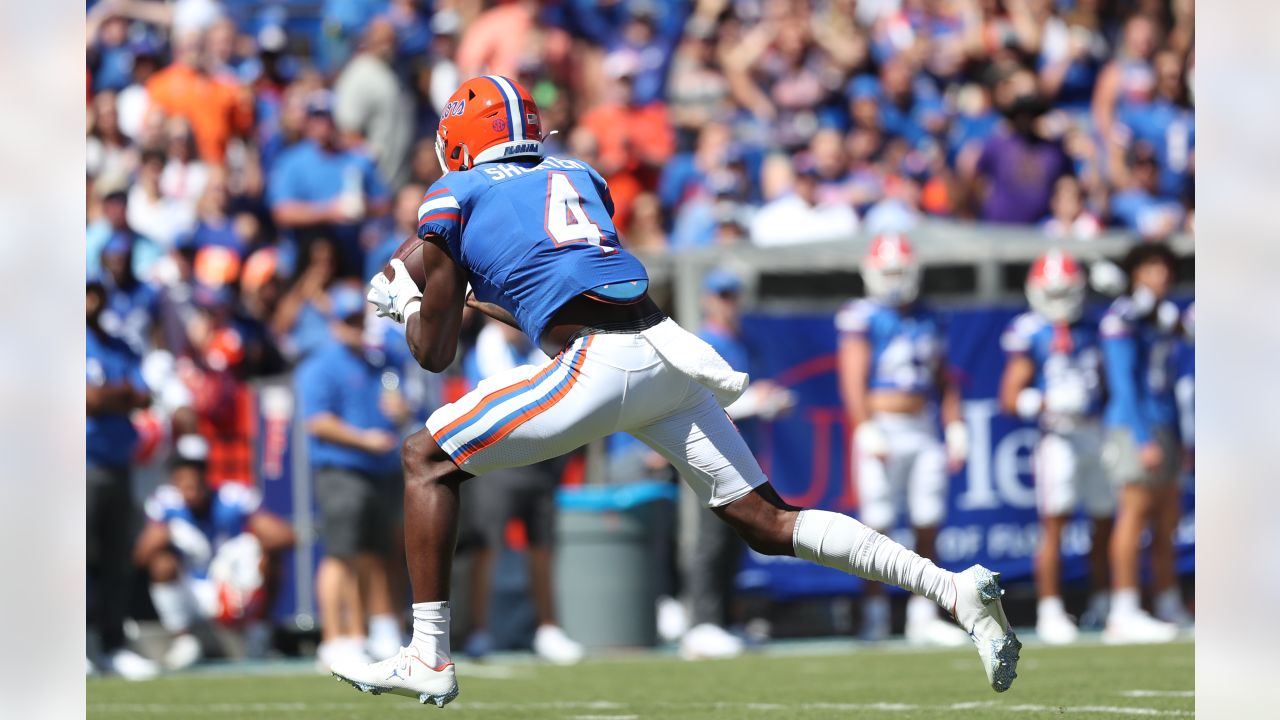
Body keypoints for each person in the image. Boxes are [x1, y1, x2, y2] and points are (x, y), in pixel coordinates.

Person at [336, 76, 1020, 707]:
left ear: (460, 141)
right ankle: (952, 588)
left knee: (425, 458)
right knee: (768, 521)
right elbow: (545, 291)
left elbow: (433, 353)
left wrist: (406, 307)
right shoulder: (579, 174)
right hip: (661, 349)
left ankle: (428, 654)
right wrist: (438, 288)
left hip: (598, 364)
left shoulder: (454, 194)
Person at [834, 234, 971, 647]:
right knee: (876, 527)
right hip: (883, 426)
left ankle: (923, 614)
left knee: (928, 523)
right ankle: (875, 615)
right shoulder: (862, 316)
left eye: (900, 272)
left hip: (923, 426)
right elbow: (852, 378)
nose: (894, 281)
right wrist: (863, 425)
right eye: (887, 272)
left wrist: (955, 424)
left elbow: (944, 378)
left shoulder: (930, 316)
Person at [998, 251, 1114, 644]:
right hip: (1057, 436)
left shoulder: (1096, 324)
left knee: (1105, 521)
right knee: (1055, 524)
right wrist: (1046, 402)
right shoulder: (1030, 331)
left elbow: (1109, 378)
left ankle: (1106, 601)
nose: (1061, 299)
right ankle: (1050, 608)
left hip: (1094, 430)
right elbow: (1010, 397)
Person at [682, 269, 795, 660]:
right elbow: (700, 400)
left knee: (734, 540)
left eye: (733, 295)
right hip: (708, 452)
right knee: (711, 541)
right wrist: (754, 403)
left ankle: (723, 621)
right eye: (722, 295)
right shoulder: (702, 342)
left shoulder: (743, 342)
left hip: (740, 453)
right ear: (707, 300)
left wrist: (767, 402)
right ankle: (701, 623)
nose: (729, 303)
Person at [296, 286, 411, 669]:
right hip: (342, 469)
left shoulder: (374, 361)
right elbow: (317, 421)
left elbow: (399, 397)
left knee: (377, 554)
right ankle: (334, 638)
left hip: (378, 471)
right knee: (340, 553)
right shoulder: (321, 364)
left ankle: (375, 630)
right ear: (333, 324)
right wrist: (363, 439)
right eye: (346, 320)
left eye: (356, 319)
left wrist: (399, 412)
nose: (353, 327)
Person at [458, 319, 585, 665]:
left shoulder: (537, 349)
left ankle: (548, 629)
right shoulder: (483, 352)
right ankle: (479, 631)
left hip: (541, 462)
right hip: (497, 463)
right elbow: (514, 400)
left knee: (542, 547)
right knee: (488, 547)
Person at [133, 435, 295, 668]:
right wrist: (166, 534)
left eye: (196, 468)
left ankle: (259, 630)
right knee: (161, 562)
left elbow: (285, 537)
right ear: (173, 478)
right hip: (191, 589)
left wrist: (247, 544)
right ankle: (183, 637)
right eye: (183, 470)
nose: (190, 481)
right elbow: (140, 557)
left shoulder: (233, 497)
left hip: (232, 585)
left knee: (269, 556)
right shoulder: (164, 505)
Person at [1099, 243, 1187, 643]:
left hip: (1166, 425)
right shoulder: (1123, 316)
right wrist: (1139, 435)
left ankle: (1167, 600)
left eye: (1165, 267)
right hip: (1133, 426)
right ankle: (1124, 608)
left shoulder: (1164, 318)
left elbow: (1167, 381)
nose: (1161, 274)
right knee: (1133, 513)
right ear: (1135, 272)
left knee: (1167, 518)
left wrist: (1180, 436)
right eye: (1152, 266)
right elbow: (1123, 383)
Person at [86, 275, 159, 681]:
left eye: (95, 293)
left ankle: (111, 643)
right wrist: (119, 396)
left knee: (115, 558)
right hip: (75, 462)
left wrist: (105, 398)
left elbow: (144, 395)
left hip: (117, 462)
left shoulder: (118, 345)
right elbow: (86, 400)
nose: (90, 301)